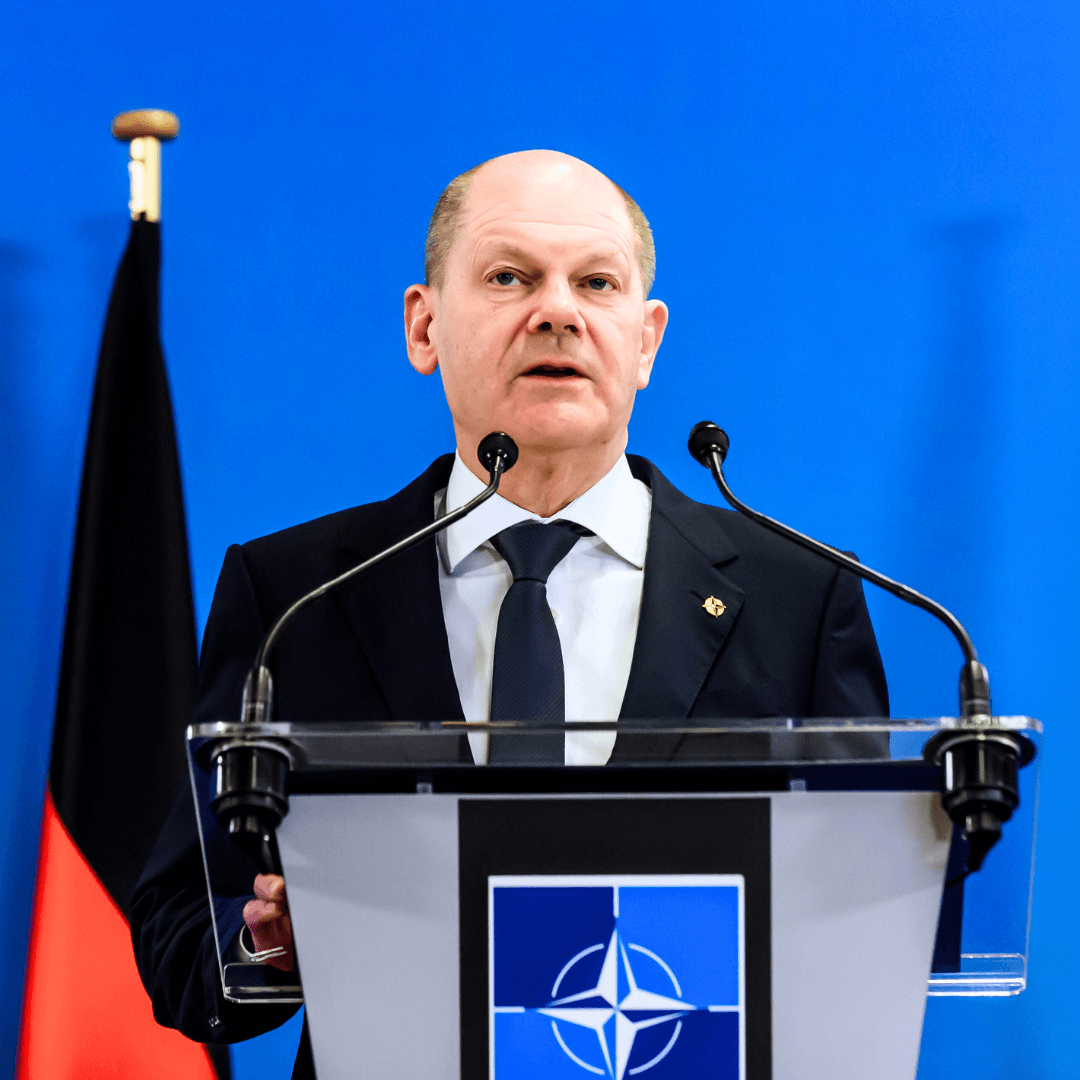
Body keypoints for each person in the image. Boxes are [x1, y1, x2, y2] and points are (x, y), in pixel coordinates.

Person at [131, 150, 888, 1059]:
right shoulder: (296, 595)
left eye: (596, 282)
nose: (559, 311)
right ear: (425, 327)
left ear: (645, 341)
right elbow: (182, 925)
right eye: (508, 276)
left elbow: (866, 912)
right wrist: (272, 942)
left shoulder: (797, 595)